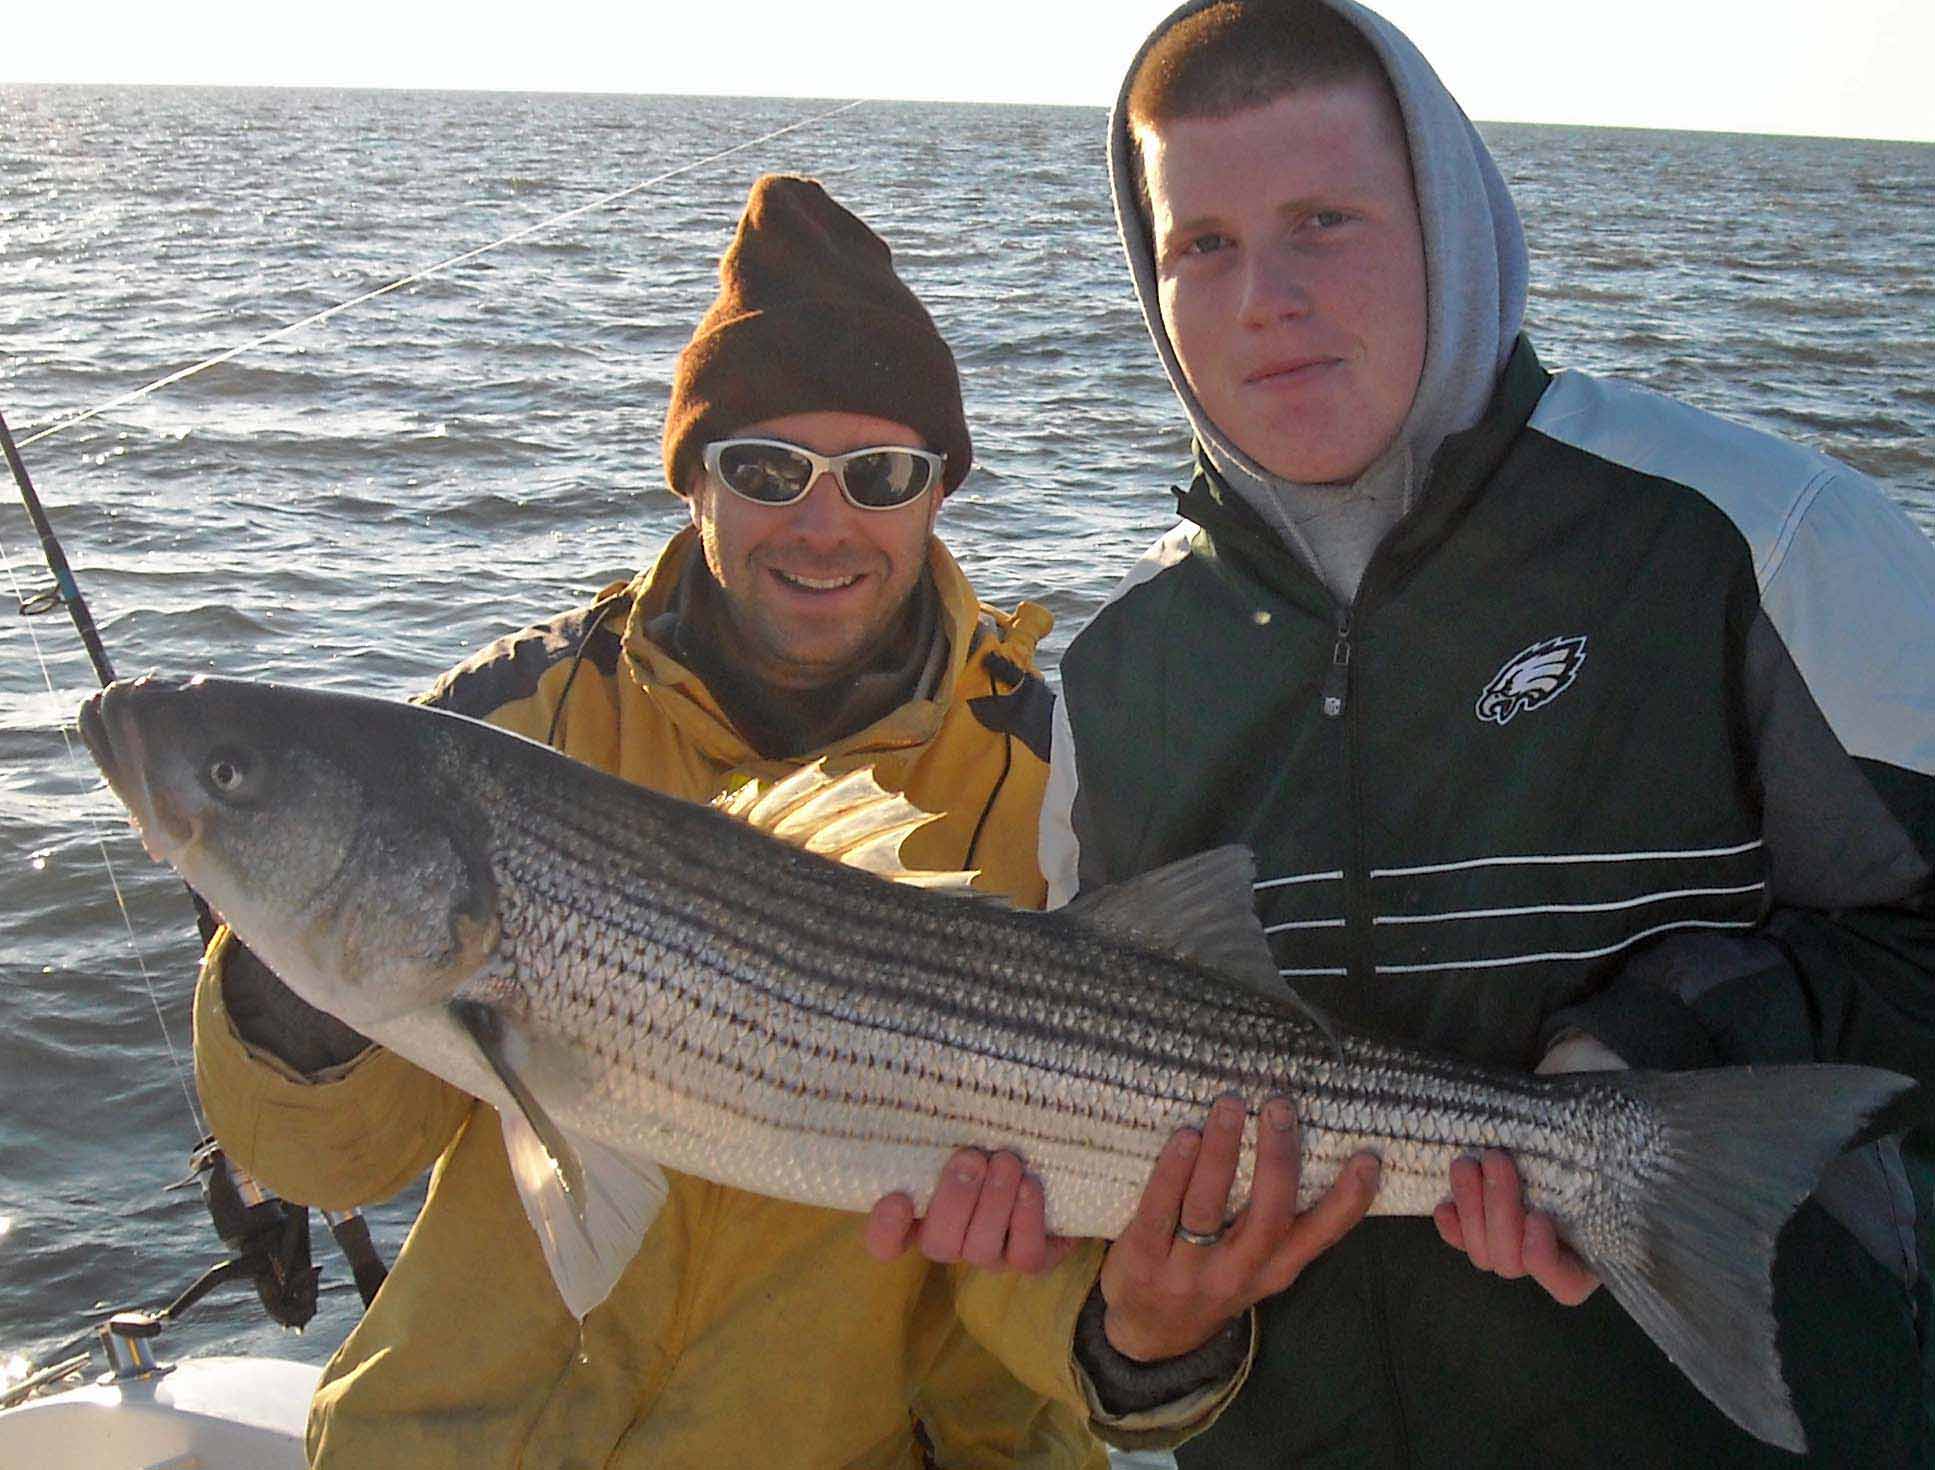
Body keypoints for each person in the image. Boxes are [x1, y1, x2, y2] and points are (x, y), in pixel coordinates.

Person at [886, 1, 1935, 1464]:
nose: (1265, 296)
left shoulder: (1767, 540)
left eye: (1326, 219)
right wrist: (1130, 1334)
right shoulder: (1121, 678)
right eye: (1203, 244)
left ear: (1450, 214)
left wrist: (1651, 1044)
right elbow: (1090, 1142)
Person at [190, 175, 1231, 1467]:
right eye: (766, 466)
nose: (823, 520)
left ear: (940, 491)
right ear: (694, 480)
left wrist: (1138, 1342)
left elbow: (1062, 1223)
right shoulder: (508, 721)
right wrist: (293, 969)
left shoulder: (1056, 774)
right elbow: (323, 1162)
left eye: (881, 472)